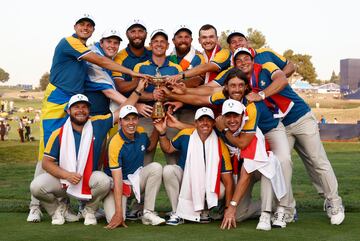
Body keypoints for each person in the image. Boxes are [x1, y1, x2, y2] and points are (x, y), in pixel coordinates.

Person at [28, 14, 146, 222]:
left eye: (89, 25)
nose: (85, 27)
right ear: (75, 26)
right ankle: (35, 206)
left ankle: (71, 204)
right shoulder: (72, 44)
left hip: (75, 105)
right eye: (82, 24)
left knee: (76, 154)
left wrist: (134, 97)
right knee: (47, 153)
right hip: (57, 101)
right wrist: (132, 77)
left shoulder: (86, 55)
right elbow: (102, 67)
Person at [163, 66, 296, 227]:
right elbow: (200, 101)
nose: (237, 89)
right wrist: (178, 95)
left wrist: (224, 129)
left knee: (274, 165)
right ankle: (268, 206)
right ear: (226, 87)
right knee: (239, 215)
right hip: (240, 155)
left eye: (241, 85)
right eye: (233, 85)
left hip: (265, 138)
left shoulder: (251, 107)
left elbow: (243, 143)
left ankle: (275, 210)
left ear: (246, 87)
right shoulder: (223, 99)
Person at [241, 47, 345, 225]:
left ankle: (334, 203)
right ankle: (288, 210)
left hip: (299, 117)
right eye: (233, 44)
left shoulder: (265, 62)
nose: (237, 46)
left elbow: (284, 75)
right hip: (279, 125)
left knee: (317, 161)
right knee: (281, 165)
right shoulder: (242, 79)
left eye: (240, 41)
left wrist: (262, 94)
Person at [30, 81, 147, 226]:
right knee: (36, 186)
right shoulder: (58, 133)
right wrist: (66, 175)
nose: (80, 110)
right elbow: (46, 163)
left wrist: (138, 90)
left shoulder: (98, 123)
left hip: (89, 179)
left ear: (89, 111)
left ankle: (89, 210)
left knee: (103, 181)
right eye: (76, 107)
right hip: (63, 181)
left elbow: (122, 111)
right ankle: (57, 211)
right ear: (68, 111)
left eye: (84, 107)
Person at [153, 107, 233, 225]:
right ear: (195, 123)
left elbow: (228, 181)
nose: (205, 123)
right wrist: (162, 133)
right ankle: (177, 212)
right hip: (185, 177)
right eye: (201, 120)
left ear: (213, 123)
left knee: (221, 190)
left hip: (207, 182)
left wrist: (228, 209)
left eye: (208, 120)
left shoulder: (220, 145)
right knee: (168, 170)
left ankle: (204, 210)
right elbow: (168, 148)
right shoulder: (185, 134)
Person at [217, 99, 286, 231]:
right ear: (222, 117)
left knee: (267, 172)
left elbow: (245, 176)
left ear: (243, 116)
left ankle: (266, 214)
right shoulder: (224, 130)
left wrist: (231, 206)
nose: (232, 120)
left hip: (262, 167)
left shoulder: (249, 132)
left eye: (235, 116)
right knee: (238, 215)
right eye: (228, 116)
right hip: (246, 169)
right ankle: (272, 205)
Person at [103, 105, 164, 228]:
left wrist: (158, 129)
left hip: (135, 181)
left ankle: (148, 213)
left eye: (134, 118)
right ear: (120, 122)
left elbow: (150, 146)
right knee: (113, 218)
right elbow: (117, 180)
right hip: (117, 184)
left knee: (156, 167)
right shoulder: (115, 143)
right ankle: (120, 209)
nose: (131, 123)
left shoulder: (140, 132)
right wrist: (119, 213)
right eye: (127, 119)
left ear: (138, 120)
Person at [134, 29, 182, 165]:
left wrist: (167, 96)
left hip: (169, 117)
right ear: (150, 44)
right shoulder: (140, 67)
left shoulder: (176, 68)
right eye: (156, 41)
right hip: (146, 116)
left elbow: (181, 93)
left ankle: (177, 185)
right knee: (144, 159)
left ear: (167, 45)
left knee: (173, 158)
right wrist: (152, 95)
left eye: (162, 42)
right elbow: (136, 93)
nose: (159, 44)